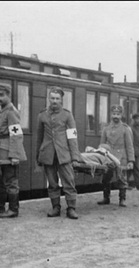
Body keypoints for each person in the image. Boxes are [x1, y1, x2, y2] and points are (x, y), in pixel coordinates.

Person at [36, 87, 83, 219]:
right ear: (48, 99)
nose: (54, 101)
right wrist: (38, 156)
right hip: (47, 154)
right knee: (52, 183)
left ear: (61, 100)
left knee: (69, 181)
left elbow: (73, 137)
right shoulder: (42, 115)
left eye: (57, 98)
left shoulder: (67, 115)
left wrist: (75, 157)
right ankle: (55, 207)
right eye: (52, 98)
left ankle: (71, 208)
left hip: (64, 155)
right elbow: (39, 137)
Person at [0, 85, 27, 218]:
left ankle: (13, 209)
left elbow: (16, 135)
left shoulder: (11, 112)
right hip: (0, 149)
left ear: (8, 95)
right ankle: (0, 207)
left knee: (10, 180)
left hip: (8, 150)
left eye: (2, 95)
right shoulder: (2, 111)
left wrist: (14, 155)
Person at [98, 105, 135, 207]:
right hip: (109, 157)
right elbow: (102, 145)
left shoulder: (125, 129)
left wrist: (131, 160)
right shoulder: (106, 129)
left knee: (121, 179)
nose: (116, 116)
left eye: (118, 114)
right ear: (111, 114)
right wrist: (100, 157)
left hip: (121, 157)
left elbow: (129, 145)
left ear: (121, 115)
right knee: (106, 178)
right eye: (114, 114)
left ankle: (122, 199)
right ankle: (106, 198)